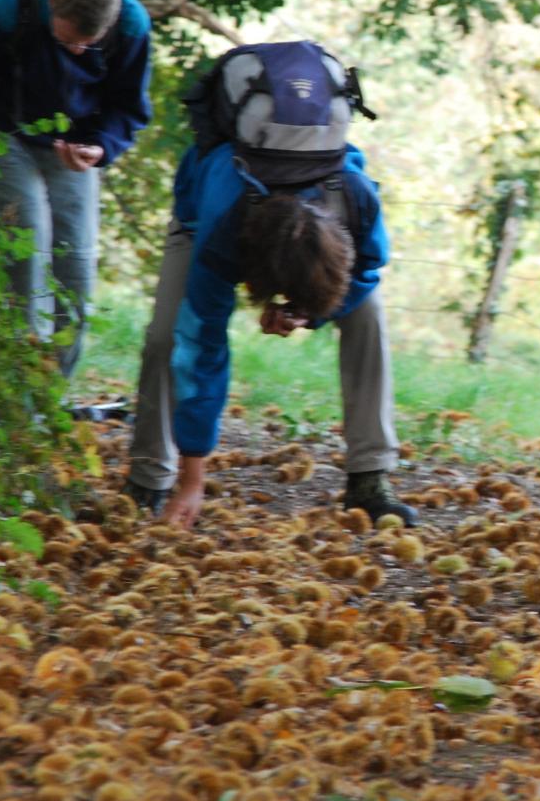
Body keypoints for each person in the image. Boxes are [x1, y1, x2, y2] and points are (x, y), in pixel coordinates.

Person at [124, 137, 412, 530]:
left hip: (312, 229)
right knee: (168, 337)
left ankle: (370, 477)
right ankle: (150, 477)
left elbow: (366, 271)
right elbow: (201, 350)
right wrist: (194, 478)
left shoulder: (354, 198)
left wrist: (307, 314)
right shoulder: (222, 227)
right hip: (203, 222)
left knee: (369, 313)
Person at [0, 0, 152, 378]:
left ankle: (53, 398)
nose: (75, 52)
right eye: (65, 40)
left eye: (87, 45)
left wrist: (102, 146)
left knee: (78, 261)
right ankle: (21, 389)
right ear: (52, 6)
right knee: (28, 242)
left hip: (73, 142)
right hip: (0, 130)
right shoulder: (4, 8)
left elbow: (129, 106)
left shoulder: (132, 25)